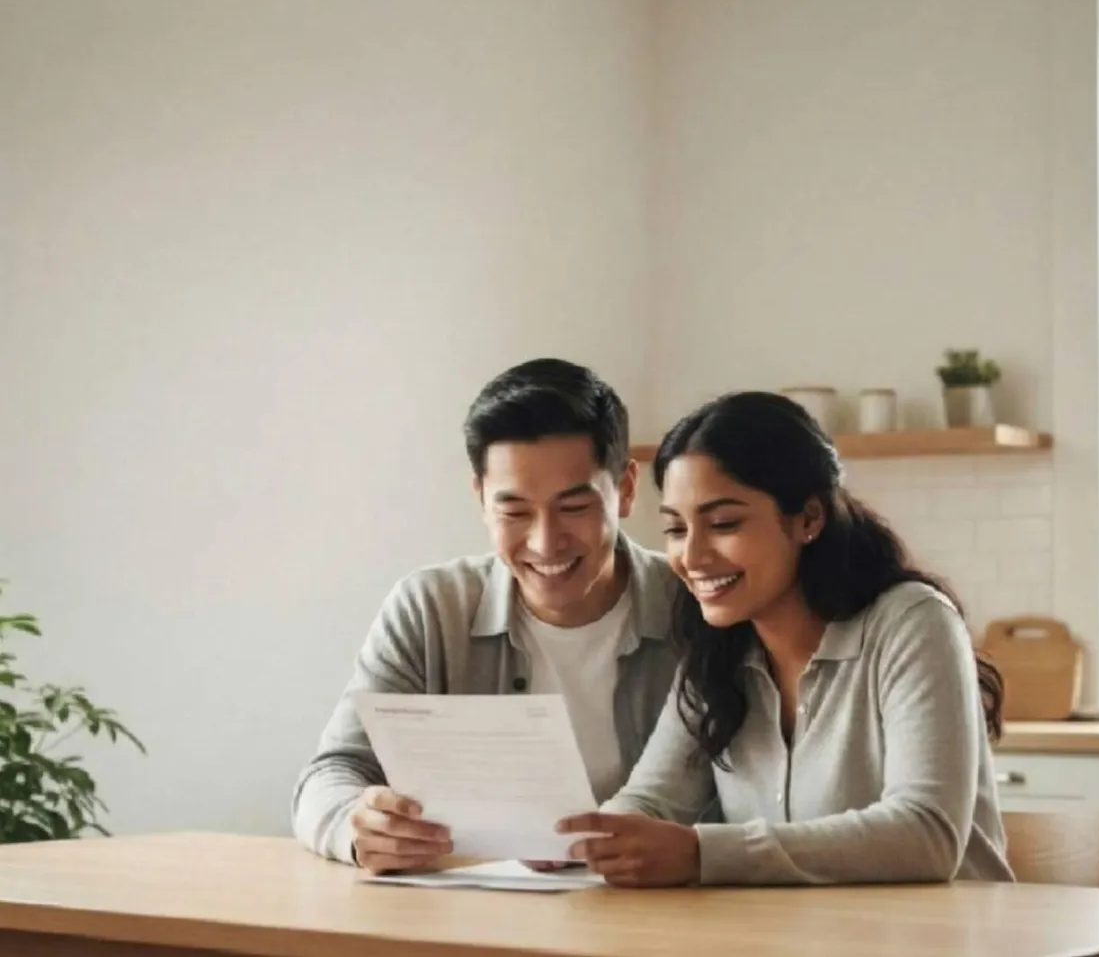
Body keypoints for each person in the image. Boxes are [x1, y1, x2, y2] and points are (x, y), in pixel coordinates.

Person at [555, 391, 1015, 888]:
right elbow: (651, 800)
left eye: (724, 524)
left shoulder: (912, 623)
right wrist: (588, 839)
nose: (692, 555)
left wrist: (702, 853)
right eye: (675, 528)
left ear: (809, 519)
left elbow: (926, 835)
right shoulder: (718, 648)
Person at [291, 358, 681, 873]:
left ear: (626, 489)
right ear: (480, 498)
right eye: (514, 511)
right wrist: (355, 827)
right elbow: (334, 771)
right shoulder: (431, 608)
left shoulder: (693, 608)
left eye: (573, 507)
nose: (545, 542)